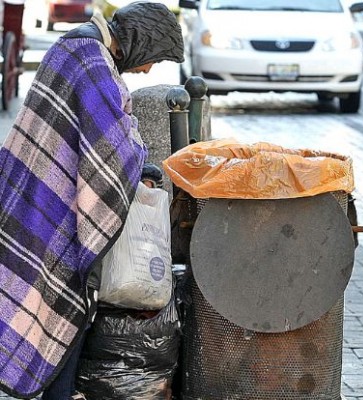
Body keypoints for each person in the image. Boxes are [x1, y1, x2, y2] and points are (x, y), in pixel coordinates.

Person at [0, 2, 184, 400]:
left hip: (37, 191)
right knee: (66, 304)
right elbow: (112, 149)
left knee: (42, 302)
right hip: (53, 205)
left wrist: (137, 164)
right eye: (151, 59)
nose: (147, 70)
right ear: (139, 40)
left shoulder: (78, 46)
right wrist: (140, 166)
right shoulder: (92, 60)